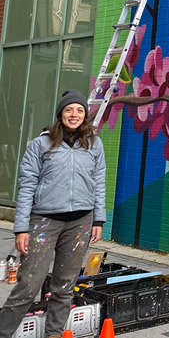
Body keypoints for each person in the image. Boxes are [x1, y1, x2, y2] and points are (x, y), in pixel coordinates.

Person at [0, 90, 106, 338]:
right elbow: (26, 185)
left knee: (65, 285)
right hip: (43, 222)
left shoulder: (94, 143)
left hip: (80, 222)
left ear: (85, 115)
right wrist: (21, 228)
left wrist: (98, 219)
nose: (74, 114)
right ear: (60, 114)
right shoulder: (41, 144)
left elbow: (99, 182)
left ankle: (54, 334)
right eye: (69, 110)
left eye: (79, 110)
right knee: (28, 284)